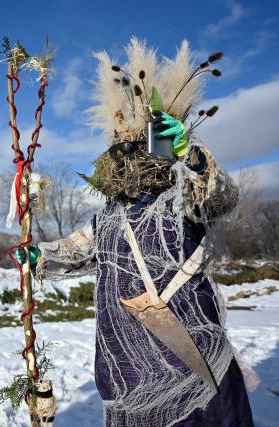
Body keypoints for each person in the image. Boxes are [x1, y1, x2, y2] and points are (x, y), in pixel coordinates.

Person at [19, 39, 254, 426]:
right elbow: (78, 250)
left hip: (190, 359)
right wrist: (40, 256)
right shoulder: (109, 217)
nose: (126, 159)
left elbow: (220, 197)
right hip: (125, 368)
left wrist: (190, 153)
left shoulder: (181, 196)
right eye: (120, 151)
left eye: (136, 147)